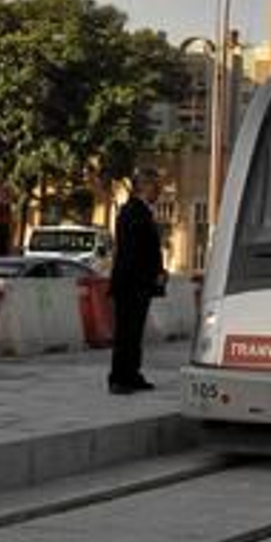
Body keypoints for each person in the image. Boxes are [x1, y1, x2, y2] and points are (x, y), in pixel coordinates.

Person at [108, 168, 166, 394]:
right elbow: (134, 252)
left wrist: (158, 271)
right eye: (156, 185)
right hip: (130, 283)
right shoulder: (133, 212)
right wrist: (152, 273)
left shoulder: (141, 211)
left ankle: (132, 374)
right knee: (126, 333)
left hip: (137, 282)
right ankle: (119, 378)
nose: (159, 190)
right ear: (144, 186)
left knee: (134, 332)